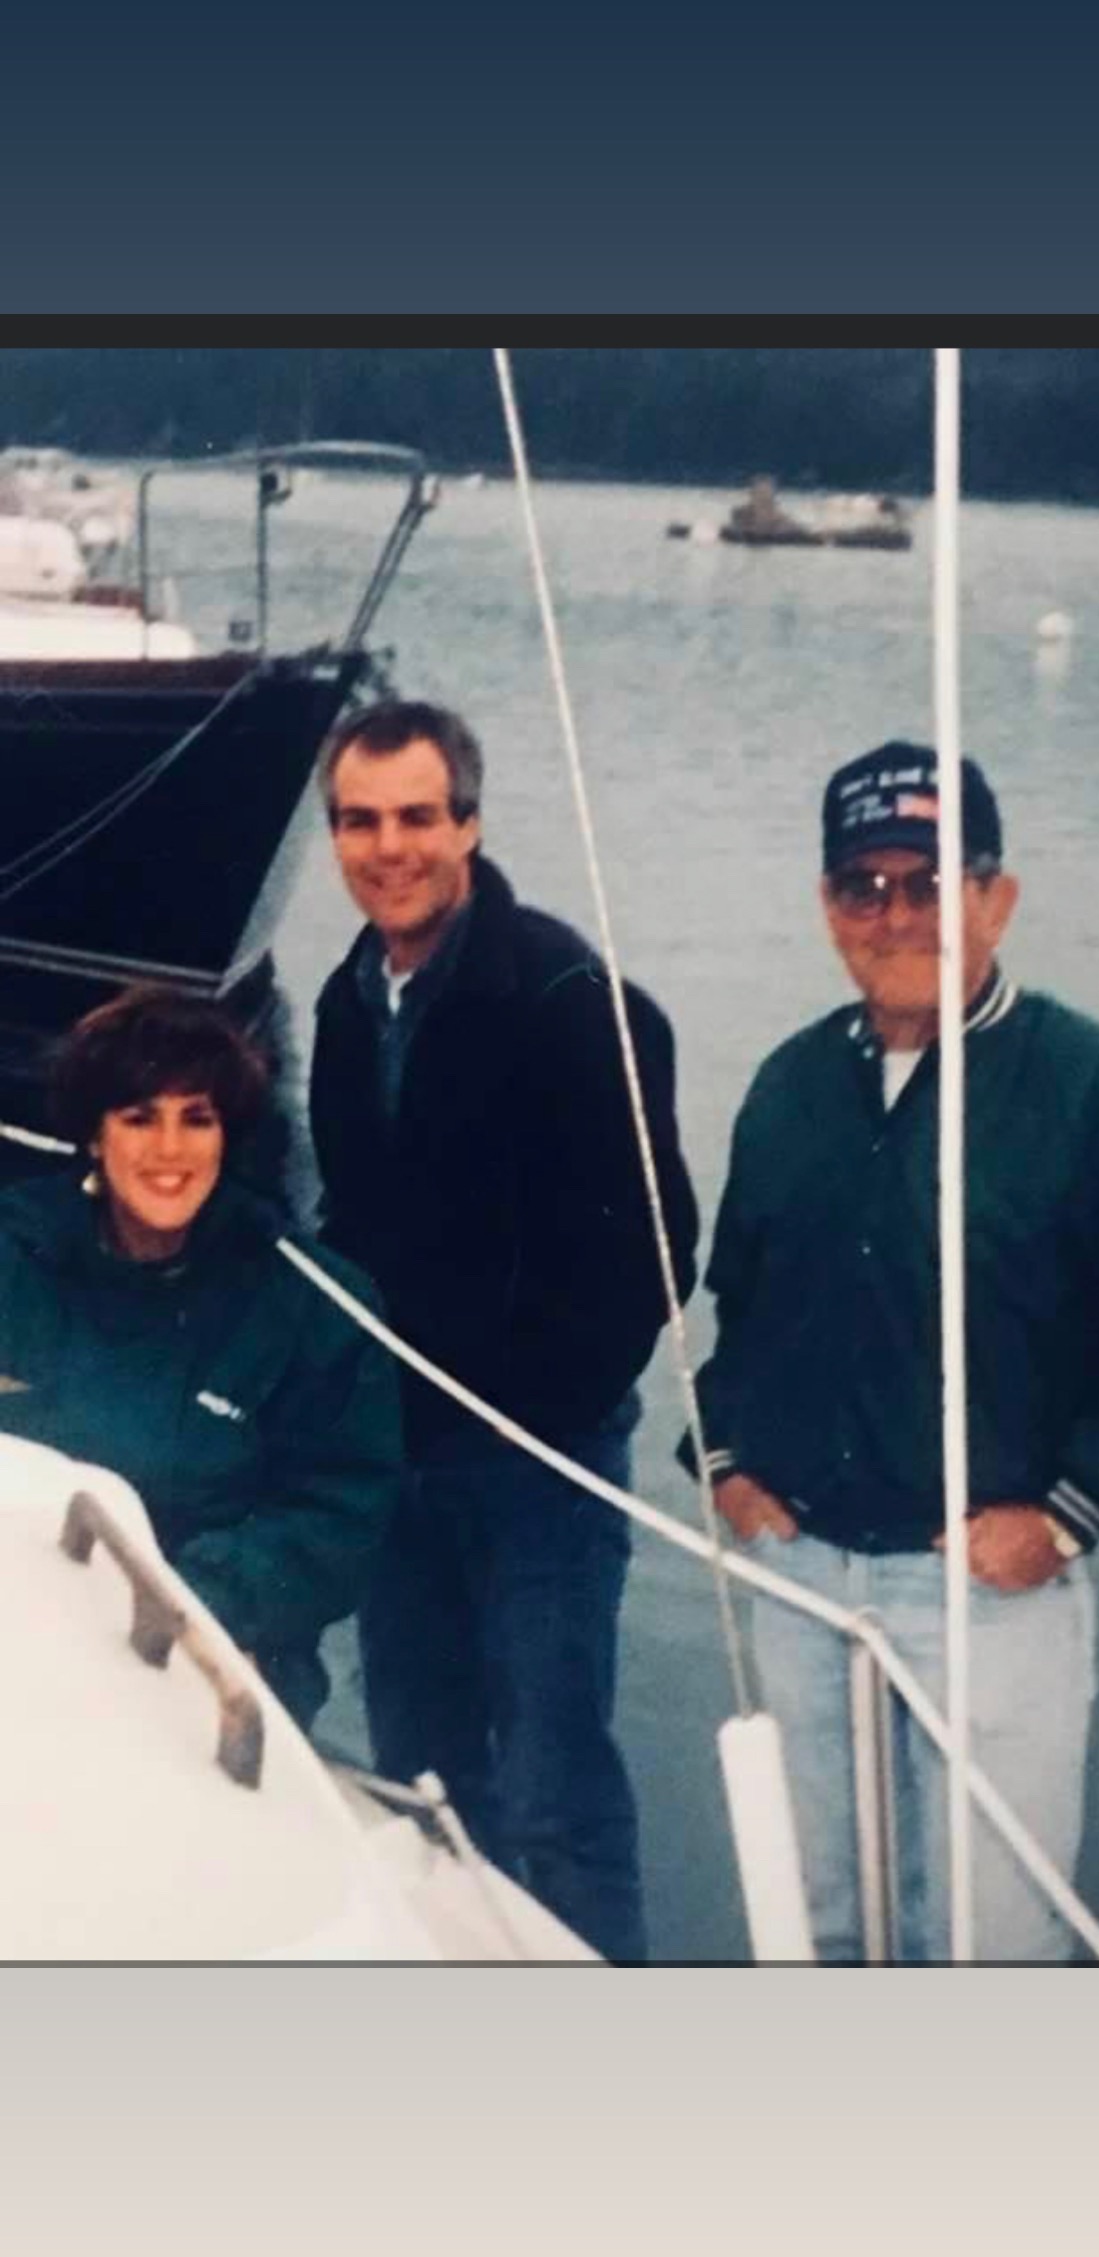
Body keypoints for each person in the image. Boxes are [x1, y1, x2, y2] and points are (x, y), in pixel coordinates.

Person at [682, 740, 1099, 1962]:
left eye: (930, 882)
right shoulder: (791, 1083)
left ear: (996, 898)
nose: (895, 915)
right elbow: (738, 1302)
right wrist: (726, 1460)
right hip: (801, 1581)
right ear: (827, 905)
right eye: (864, 886)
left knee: (987, 1941)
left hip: (986, 1601)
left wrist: (1067, 1513)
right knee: (817, 1929)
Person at [308, 697, 699, 1963]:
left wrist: (531, 1402)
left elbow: (654, 1254)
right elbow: (355, 1221)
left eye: (418, 816)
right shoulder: (348, 1001)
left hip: (540, 1466)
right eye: (360, 821)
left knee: (553, 1792)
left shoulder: (572, 997)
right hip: (398, 1462)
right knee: (423, 1780)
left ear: (469, 823)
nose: (390, 848)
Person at [0, 985, 402, 1731]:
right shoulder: (12, 1253)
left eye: (197, 1119)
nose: (169, 1150)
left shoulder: (313, 1306)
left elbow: (337, 1516)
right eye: (139, 1118)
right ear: (95, 1137)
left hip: (195, 1652)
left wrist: (193, 1600)